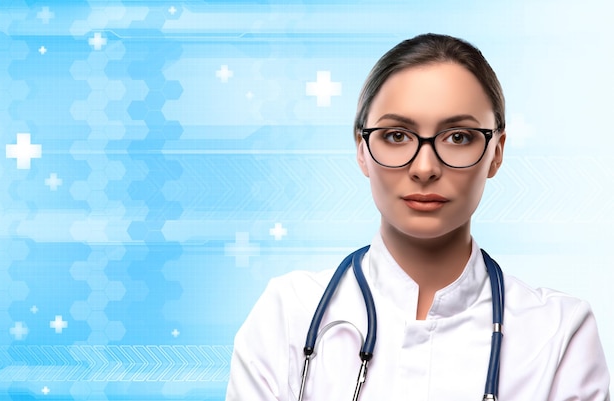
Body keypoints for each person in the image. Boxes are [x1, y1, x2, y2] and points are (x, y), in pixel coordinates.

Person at [225, 33, 610, 400]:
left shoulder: (560, 332)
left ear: (496, 151)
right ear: (361, 149)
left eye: (458, 136)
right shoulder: (288, 313)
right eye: (396, 135)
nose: (424, 168)